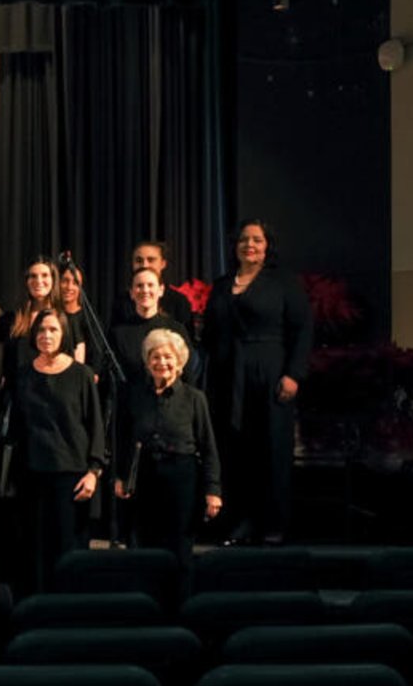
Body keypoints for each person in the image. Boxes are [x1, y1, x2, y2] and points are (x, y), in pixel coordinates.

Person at [201, 218, 311, 545]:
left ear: (267, 247)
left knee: (271, 449)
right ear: (235, 246)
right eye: (244, 240)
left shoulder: (283, 282)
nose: (250, 245)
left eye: (257, 240)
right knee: (233, 449)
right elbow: (210, 332)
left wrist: (293, 374)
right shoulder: (222, 285)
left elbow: (303, 330)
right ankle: (237, 522)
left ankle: (272, 525)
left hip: (270, 373)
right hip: (228, 377)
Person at [3, 310, 105, 594]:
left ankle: (69, 613)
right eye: (41, 331)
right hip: (31, 474)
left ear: (64, 335)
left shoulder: (81, 375)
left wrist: (94, 471)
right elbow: (16, 428)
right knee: (33, 548)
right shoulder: (23, 375)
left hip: (70, 475)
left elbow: (95, 425)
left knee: (68, 549)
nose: (46, 336)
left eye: (53, 330)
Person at [115, 327, 222, 575]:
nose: (161, 362)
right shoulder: (134, 396)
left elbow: (208, 448)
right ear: (147, 361)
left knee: (179, 547)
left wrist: (212, 490)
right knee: (141, 544)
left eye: (168, 357)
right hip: (143, 478)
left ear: (179, 361)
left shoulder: (195, 398)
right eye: (155, 357)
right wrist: (119, 476)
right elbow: (123, 440)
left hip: (182, 479)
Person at [108, 268, 196, 391]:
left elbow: (188, 372)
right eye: (139, 286)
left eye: (150, 285)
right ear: (132, 293)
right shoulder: (119, 334)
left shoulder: (176, 329)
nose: (145, 290)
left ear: (161, 290)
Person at [0, 257, 81, 376]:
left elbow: (73, 364)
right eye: (33, 276)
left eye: (45, 275)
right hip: (17, 389)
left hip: (53, 387)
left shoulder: (67, 319)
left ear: (53, 280)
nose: (39, 280)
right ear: (26, 281)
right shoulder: (9, 319)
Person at [109, 240, 194, 334]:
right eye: (139, 260)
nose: (145, 265)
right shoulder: (122, 302)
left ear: (163, 263)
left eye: (151, 260)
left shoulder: (179, 302)